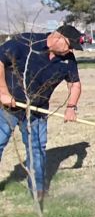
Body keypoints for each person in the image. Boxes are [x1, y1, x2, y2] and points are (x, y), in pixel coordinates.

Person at [0, 24, 83, 201]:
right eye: (69, 45)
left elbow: (74, 84)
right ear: (57, 37)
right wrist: (3, 94)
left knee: (37, 149)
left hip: (37, 112)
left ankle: (38, 192)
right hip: (8, 107)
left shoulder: (68, 59)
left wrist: (71, 106)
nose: (70, 50)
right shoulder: (25, 42)